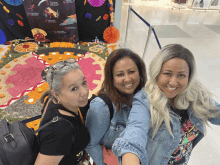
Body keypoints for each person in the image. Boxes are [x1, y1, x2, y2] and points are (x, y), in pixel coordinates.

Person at [112, 44, 220, 165]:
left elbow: (216, 114)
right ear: (156, 73)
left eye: (181, 75)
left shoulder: (195, 95)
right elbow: (133, 135)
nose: (173, 82)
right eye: (167, 73)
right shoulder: (144, 101)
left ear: (189, 77)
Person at [85, 48, 147, 165]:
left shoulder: (145, 98)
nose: (127, 79)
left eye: (131, 72)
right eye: (120, 74)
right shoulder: (101, 107)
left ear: (140, 72)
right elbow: (91, 144)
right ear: (111, 78)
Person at [35, 59, 90, 165]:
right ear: (56, 94)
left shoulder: (53, 100)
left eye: (84, 82)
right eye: (74, 88)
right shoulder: (61, 131)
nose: (84, 92)